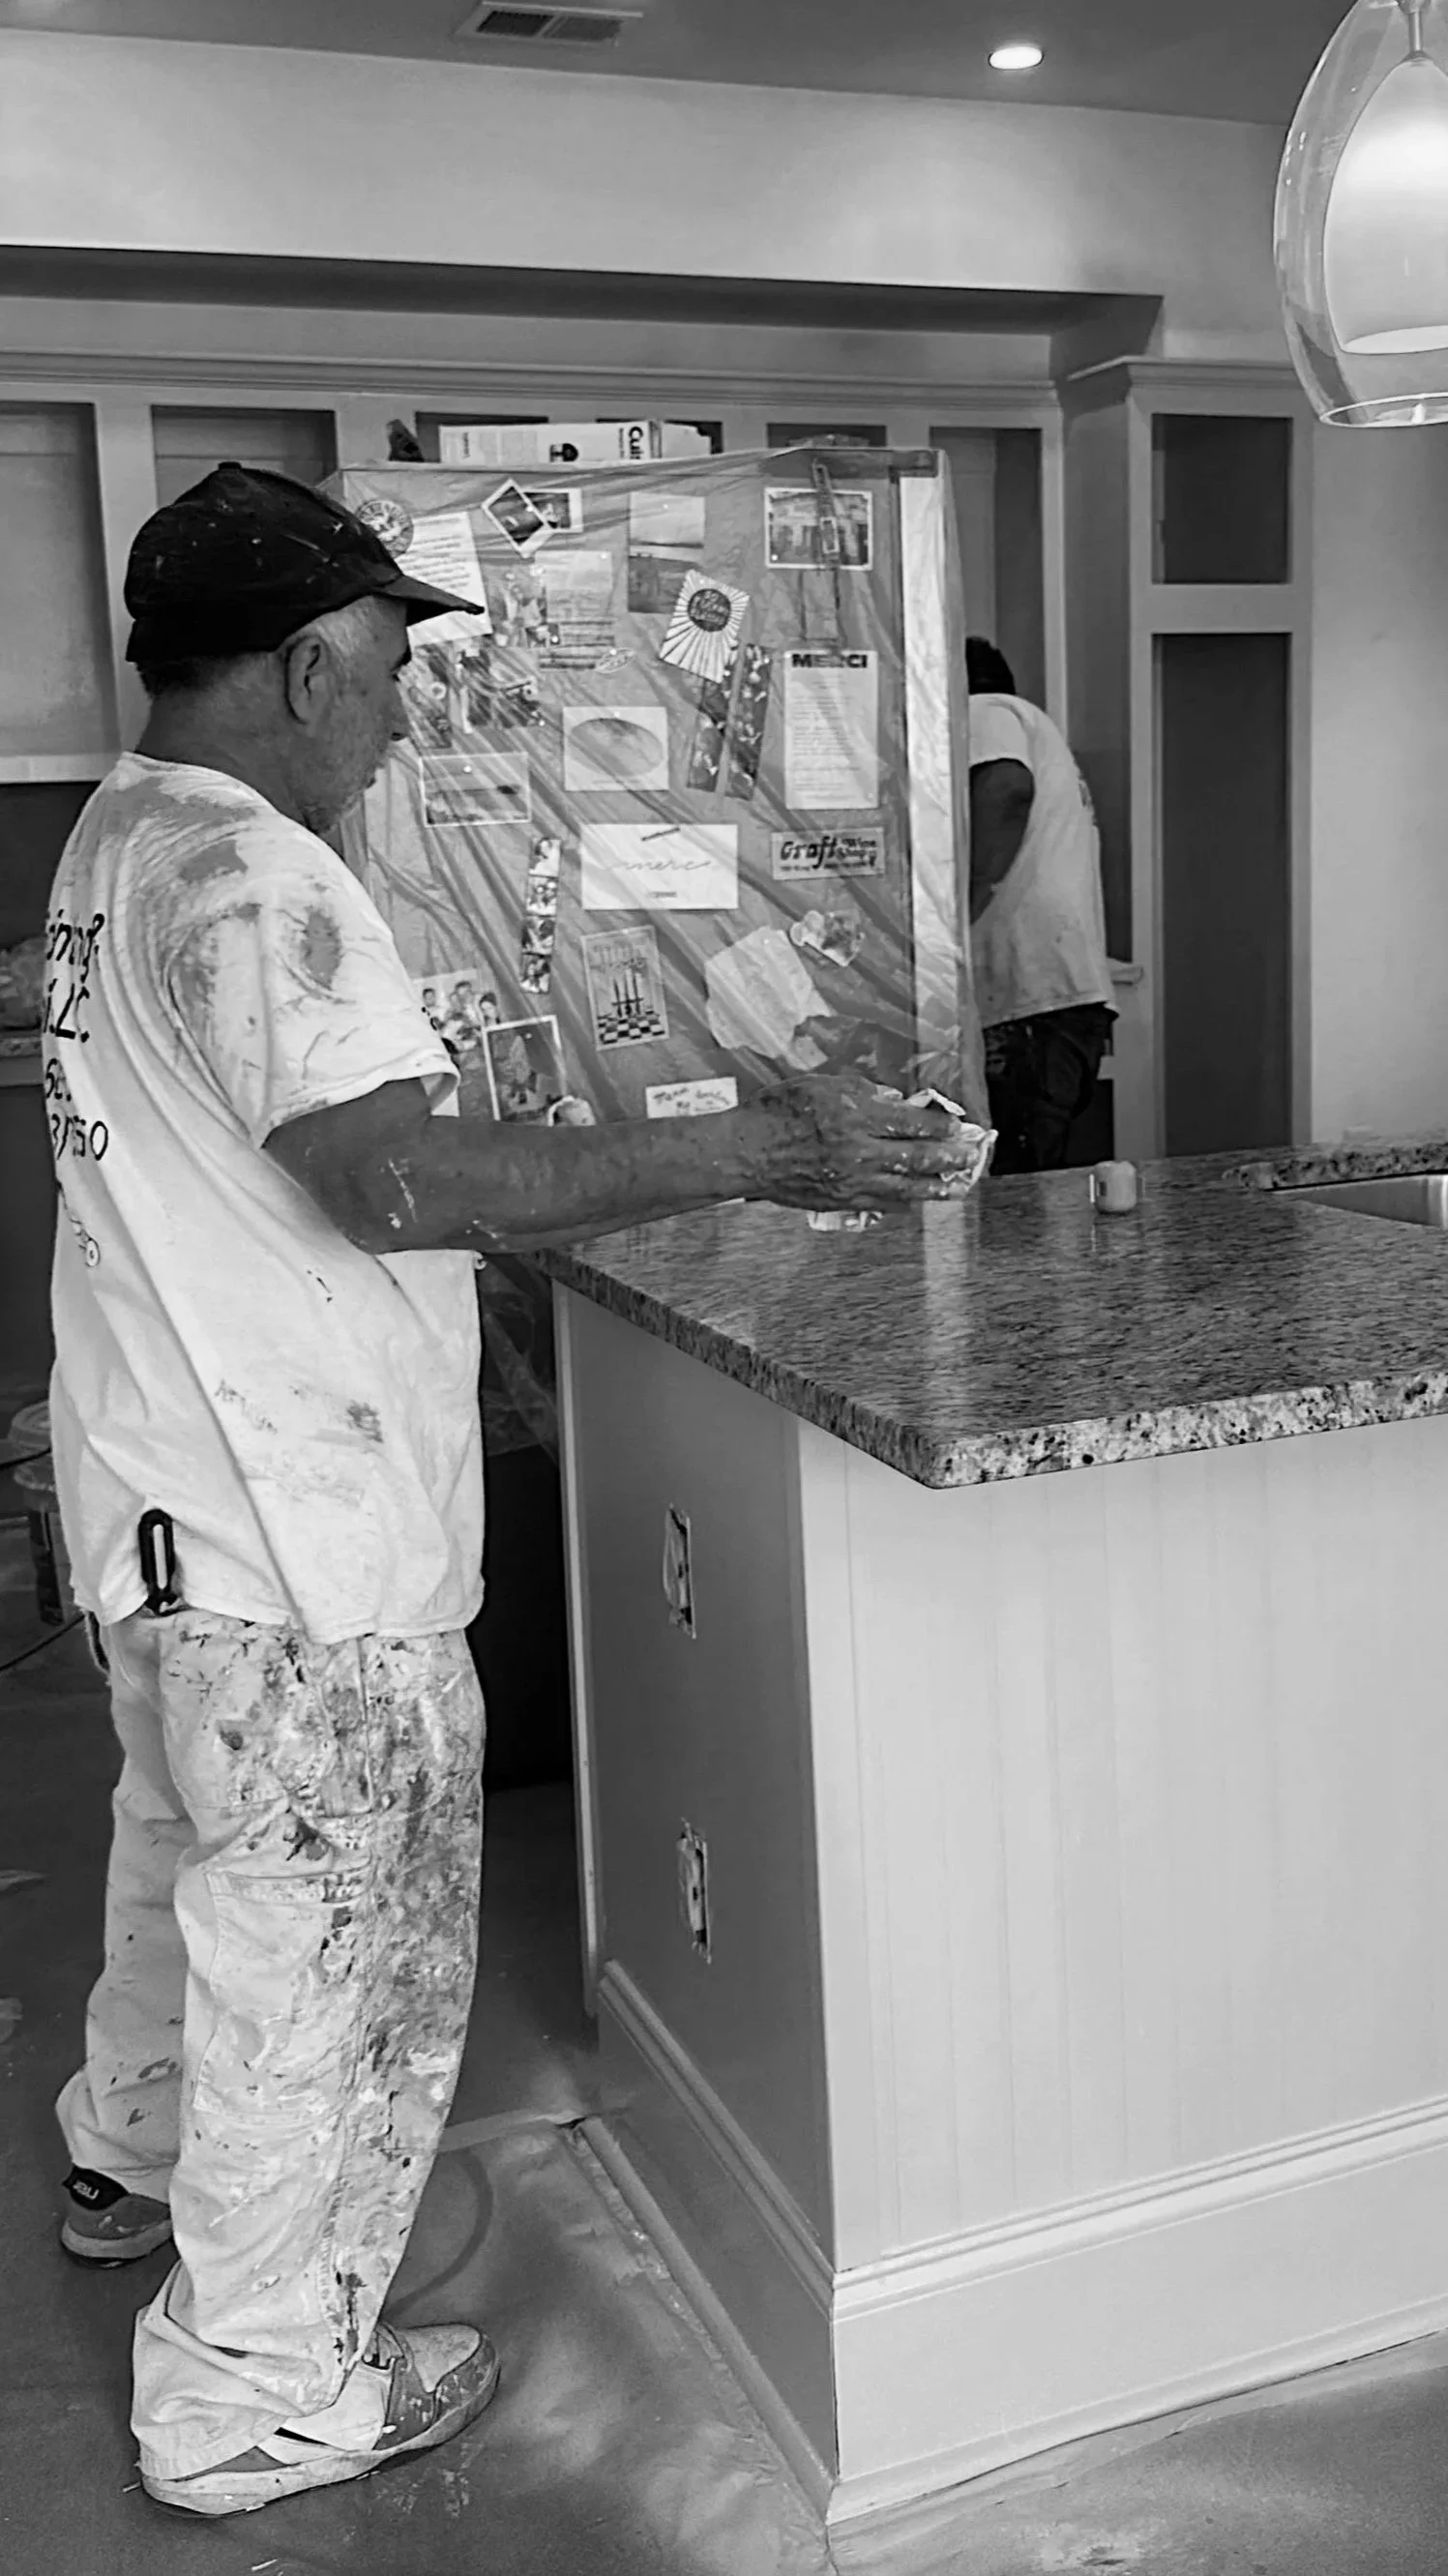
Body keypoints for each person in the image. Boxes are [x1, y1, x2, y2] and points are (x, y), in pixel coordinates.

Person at [44, 464, 979, 2522]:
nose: (394, 718)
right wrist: (760, 1146)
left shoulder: (113, 843)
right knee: (327, 1958)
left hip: (163, 1510)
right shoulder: (266, 884)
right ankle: (256, 2395)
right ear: (302, 665)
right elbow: (384, 1173)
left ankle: (124, 2142)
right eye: (381, 672)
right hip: (300, 1555)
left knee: (178, 1865)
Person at [966, 637, 1115, 1173]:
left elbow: (1006, 790)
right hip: (1058, 1005)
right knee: (1026, 1191)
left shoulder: (985, 710)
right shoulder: (1042, 735)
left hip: (1028, 1004)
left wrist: (963, 905)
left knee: (1013, 1198)